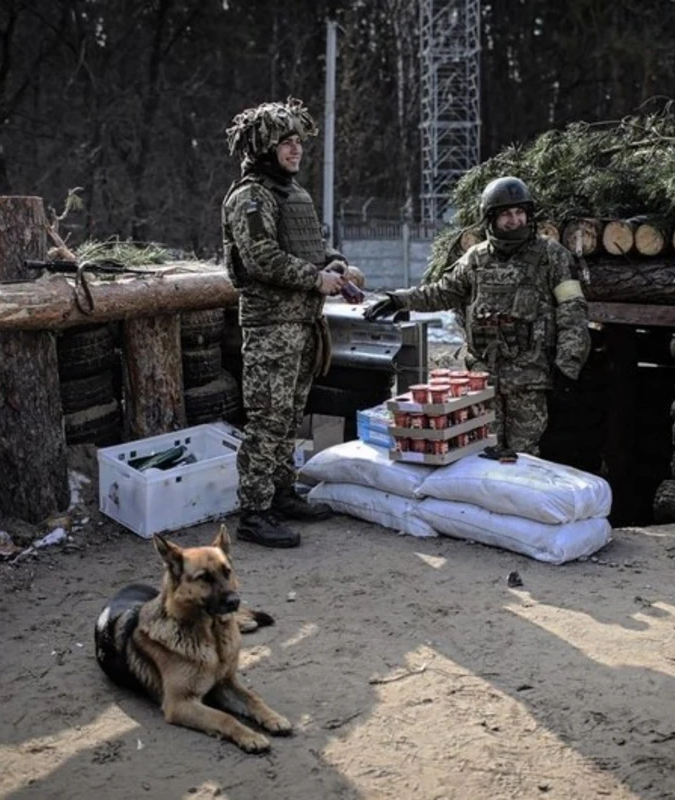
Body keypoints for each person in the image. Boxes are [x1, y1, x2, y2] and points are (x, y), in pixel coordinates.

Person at [364, 177, 591, 461]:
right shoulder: (476, 259)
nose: (515, 220)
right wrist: (400, 299)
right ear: (491, 219)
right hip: (483, 381)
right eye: (506, 214)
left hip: (529, 381)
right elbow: (443, 292)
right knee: (482, 452)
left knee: (524, 458)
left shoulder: (552, 256)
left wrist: (567, 366)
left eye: (520, 212)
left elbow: (573, 311)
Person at [222, 97, 349, 548]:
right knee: (266, 421)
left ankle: (280, 493)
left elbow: (315, 246)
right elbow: (261, 258)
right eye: (286, 143)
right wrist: (316, 279)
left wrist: (338, 266)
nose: (296, 150)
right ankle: (254, 513)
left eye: (298, 142)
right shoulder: (250, 198)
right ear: (263, 147)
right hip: (271, 327)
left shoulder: (294, 195)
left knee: (291, 415)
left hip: (301, 325)